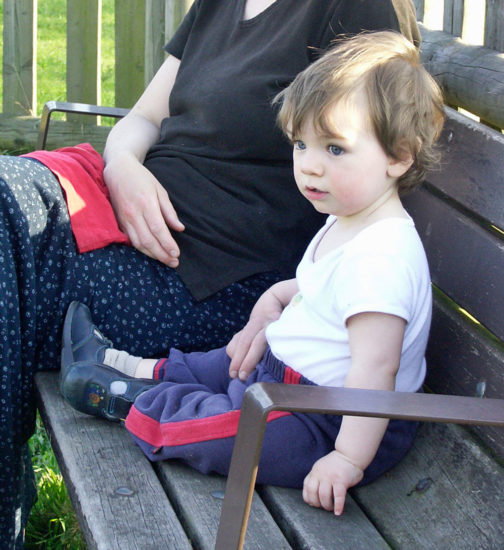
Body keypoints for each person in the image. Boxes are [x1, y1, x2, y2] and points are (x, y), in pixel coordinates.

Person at [0, 1, 420, 545]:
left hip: (210, 273)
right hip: (129, 207)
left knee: (10, 264)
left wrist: (291, 295)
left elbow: (366, 168)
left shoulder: (354, 7)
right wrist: (123, 167)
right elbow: (145, 117)